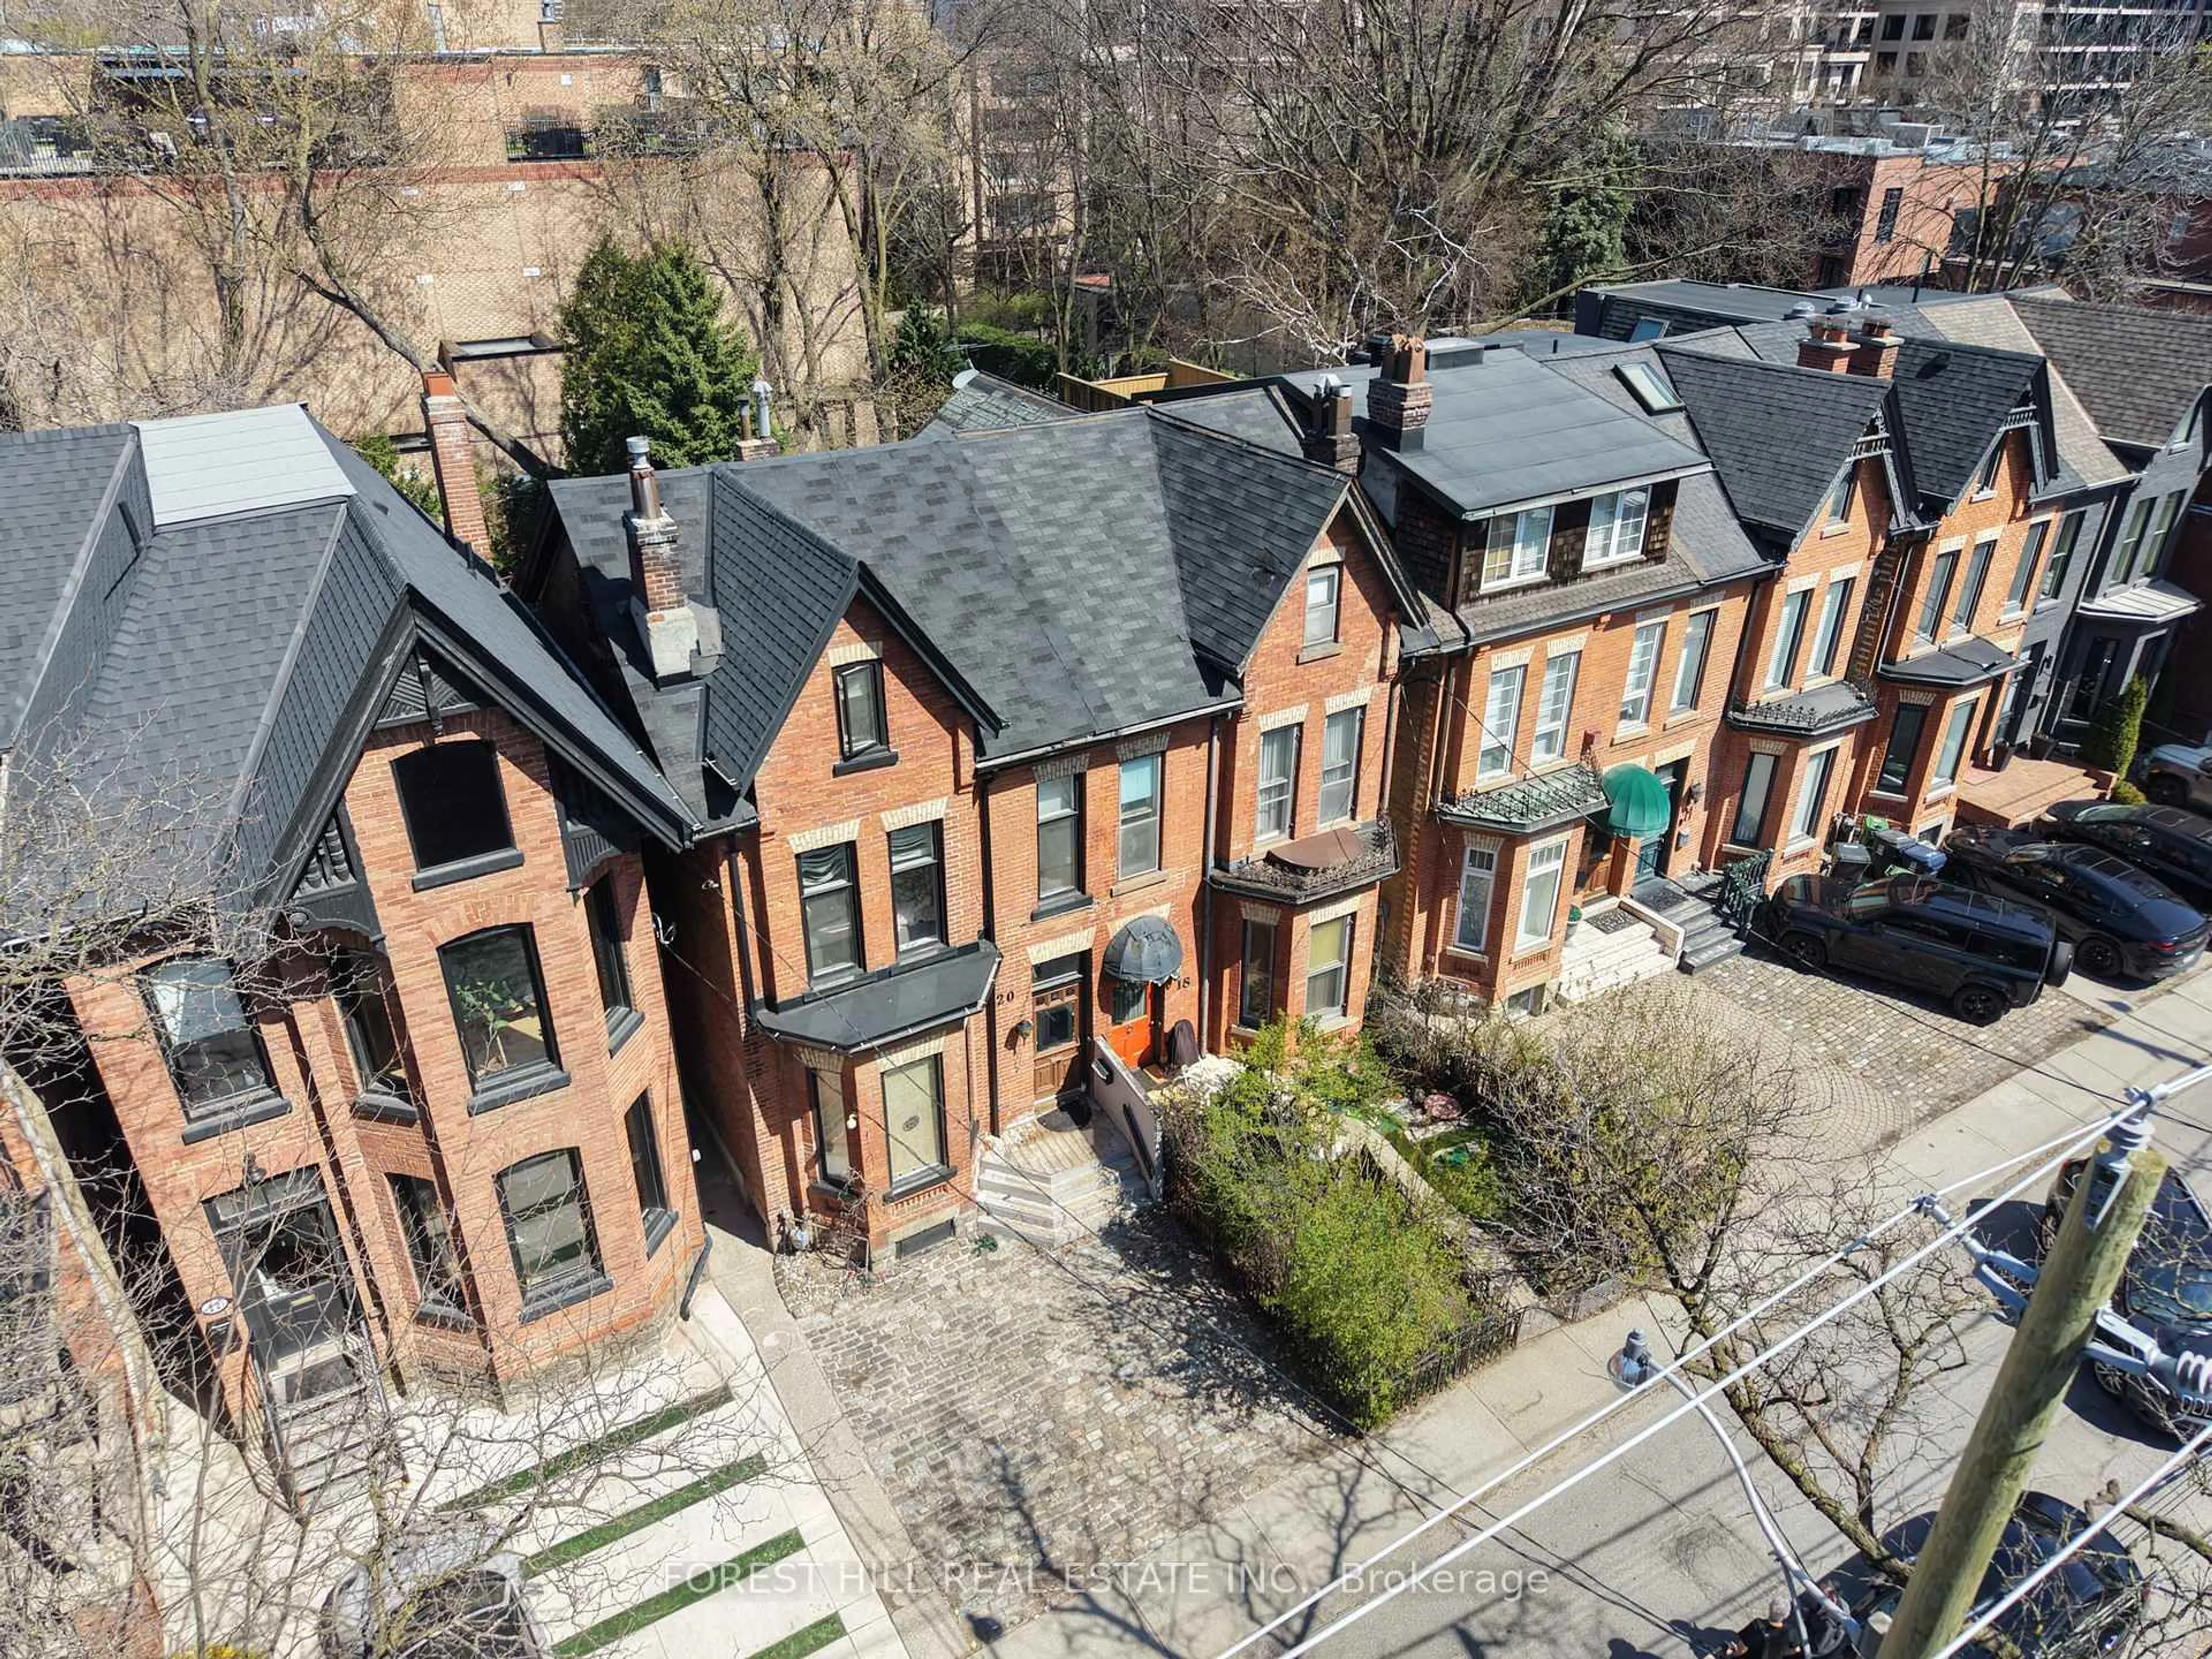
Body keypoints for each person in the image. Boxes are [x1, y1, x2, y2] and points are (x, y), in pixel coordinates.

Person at [1722, 1594, 1808, 1659]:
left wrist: (1731, 1655)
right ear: (1787, 1615)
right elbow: (1796, 1650)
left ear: (1770, 1609)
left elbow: (1742, 1648)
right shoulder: (1791, 1632)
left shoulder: (1756, 1625)